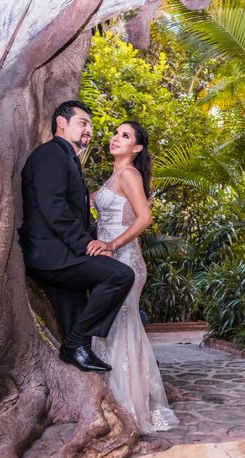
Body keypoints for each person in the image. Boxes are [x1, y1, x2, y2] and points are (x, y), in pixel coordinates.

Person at [19, 100, 135, 373]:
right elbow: (55, 209)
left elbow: (74, 212)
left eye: (90, 126)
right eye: (83, 123)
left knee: (76, 312)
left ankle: (76, 353)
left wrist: (96, 238)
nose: (89, 130)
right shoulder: (50, 155)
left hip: (59, 254)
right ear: (62, 123)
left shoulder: (66, 158)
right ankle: (74, 345)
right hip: (51, 255)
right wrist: (87, 246)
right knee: (119, 276)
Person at [91, 121, 178, 432]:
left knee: (122, 327)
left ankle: (130, 407)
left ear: (137, 148)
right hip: (109, 261)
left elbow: (145, 218)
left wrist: (112, 244)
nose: (116, 138)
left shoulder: (128, 174)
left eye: (125, 136)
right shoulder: (114, 176)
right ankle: (115, 401)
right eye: (115, 133)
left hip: (124, 260)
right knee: (113, 327)